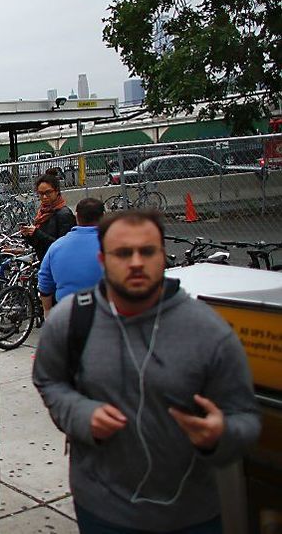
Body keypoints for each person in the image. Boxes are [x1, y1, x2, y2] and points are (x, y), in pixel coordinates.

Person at [33, 211, 261, 534]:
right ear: (102, 259)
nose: (136, 262)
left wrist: (220, 434)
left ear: (163, 255)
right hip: (102, 511)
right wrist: (81, 413)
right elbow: (48, 379)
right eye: (123, 253)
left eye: (147, 251)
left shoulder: (208, 330)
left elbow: (247, 417)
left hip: (192, 516)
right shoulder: (70, 320)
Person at [37, 197, 105, 314]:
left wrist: (47, 311)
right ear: (103, 216)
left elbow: (44, 283)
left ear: (77, 217)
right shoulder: (114, 244)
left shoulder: (56, 247)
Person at [20, 174, 75, 260]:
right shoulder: (42, 212)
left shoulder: (64, 214)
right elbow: (39, 244)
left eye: (48, 192)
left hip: (59, 262)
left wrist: (37, 233)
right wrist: (28, 235)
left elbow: (63, 245)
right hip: (45, 261)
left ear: (56, 191)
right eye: (41, 193)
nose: (44, 197)